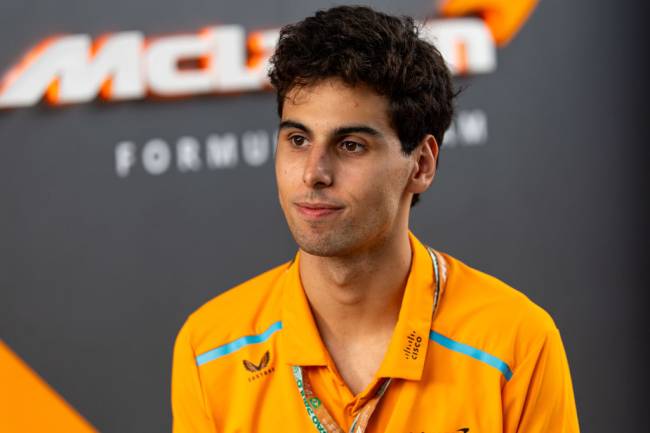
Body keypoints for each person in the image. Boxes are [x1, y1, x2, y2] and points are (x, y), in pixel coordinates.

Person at [171, 5, 580, 433]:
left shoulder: (515, 344)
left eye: (350, 145)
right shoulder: (210, 349)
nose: (313, 173)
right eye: (297, 139)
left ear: (420, 164)